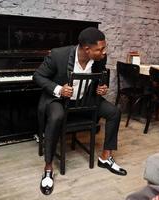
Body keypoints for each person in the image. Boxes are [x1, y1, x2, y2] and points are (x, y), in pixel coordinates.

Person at [33, 27, 127, 195]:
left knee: (114, 112)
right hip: (58, 100)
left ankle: (105, 157)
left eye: (104, 48)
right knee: (56, 116)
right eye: (100, 49)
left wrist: (101, 88)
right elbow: (38, 76)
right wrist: (59, 89)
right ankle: (48, 168)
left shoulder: (99, 59)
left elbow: (99, 79)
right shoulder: (58, 55)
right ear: (86, 49)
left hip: (85, 99)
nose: (103, 52)